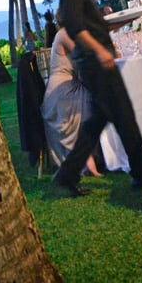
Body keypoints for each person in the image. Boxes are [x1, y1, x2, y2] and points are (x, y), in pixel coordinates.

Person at [50, 0, 142, 197]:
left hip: (95, 63)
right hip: (95, 63)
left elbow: (93, 24)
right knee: (124, 116)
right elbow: (76, 27)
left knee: (98, 120)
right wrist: (100, 50)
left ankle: (68, 173)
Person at [41, 28, 111, 175]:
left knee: (99, 97)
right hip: (61, 92)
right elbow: (85, 55)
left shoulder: (72, 33)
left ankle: (99, 155)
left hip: (69, 85)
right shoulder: (65, 34)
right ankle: (89, 158)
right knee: (96, 100)